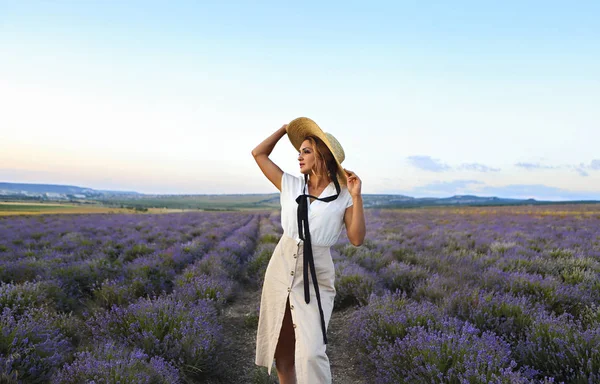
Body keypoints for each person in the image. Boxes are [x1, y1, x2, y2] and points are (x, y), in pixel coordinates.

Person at [252, 117, 366, 383]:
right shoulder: (291, 185)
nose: (299, 157)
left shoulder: (344, 196)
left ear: (322, 155)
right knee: (283, 351)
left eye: (306, 151)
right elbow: (258, 153)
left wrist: (357, 196)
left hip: (316, 276)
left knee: (312, 351)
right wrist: (284, 129)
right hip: (281, 266)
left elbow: (357, 239)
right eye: (299, 151)